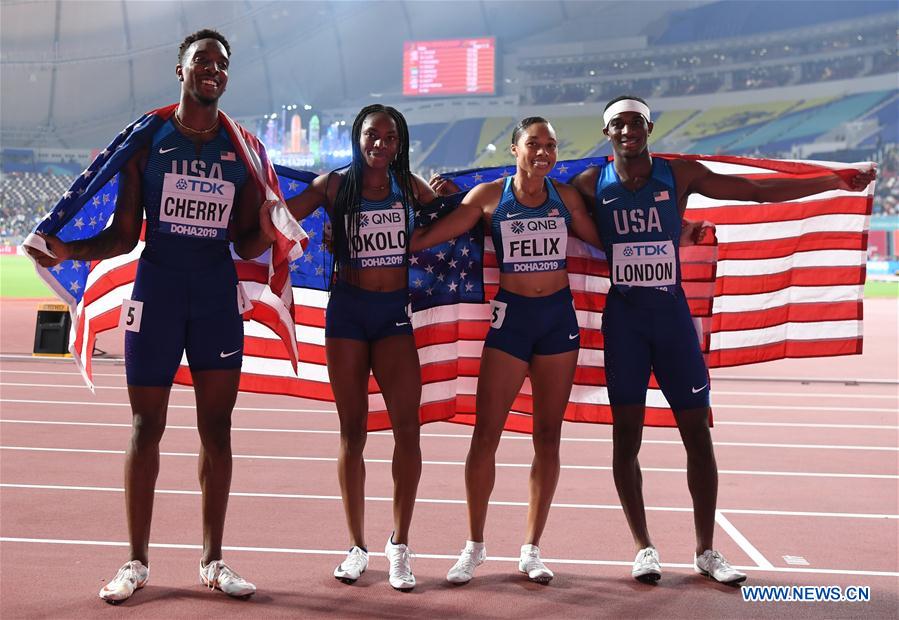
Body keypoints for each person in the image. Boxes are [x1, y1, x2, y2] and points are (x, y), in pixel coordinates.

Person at [570, 95, 876, 585]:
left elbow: (753, 189)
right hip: (625, 323)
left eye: (636, 123)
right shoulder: (589, 184)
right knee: (626, 437)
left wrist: (832, 180)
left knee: (698, 435)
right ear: (606, 133)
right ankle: (644, 548)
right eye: (618, 125)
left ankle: (706, 550)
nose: (628, 131)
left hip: (672, 321)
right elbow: (526, 192)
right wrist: (448, 195)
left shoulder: (681, 174)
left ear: (650, 127)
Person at [27, 29, 272, 602]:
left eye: (222, 65)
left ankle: (213, 560)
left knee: (218, 429)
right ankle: (136, 561)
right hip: (157, 290)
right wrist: (69, 250)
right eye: (202, 62)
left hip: (214, 296)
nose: (213, 70)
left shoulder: (242, 149)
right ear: (181, 71)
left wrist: (274, 231)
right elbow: (121, 234)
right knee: (146, 427)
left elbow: (244, 239)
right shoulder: (149, 140)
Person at [415, 117, 602, 584]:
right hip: (512, 320)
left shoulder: (567, 198)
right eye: (533, 144)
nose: (543, 151)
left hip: (558, 320)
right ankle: (474, 546)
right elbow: (426, 237)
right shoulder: (489, 198)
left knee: (548, 437)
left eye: (551, 145)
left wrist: (675, 235)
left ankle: (531, 549)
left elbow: (608, 243)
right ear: (514, 149)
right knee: (486, 434)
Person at [282, 104, 439, 591]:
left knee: (407, 430)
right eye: (373, 135)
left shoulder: (411, 187)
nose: (381, 144)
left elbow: (445, 219)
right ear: (358, 137)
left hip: (393, 315)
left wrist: (448, 199)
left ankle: (400, 544)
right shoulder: (334, 185)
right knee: (352, 431)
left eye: (390, 137)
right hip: (347, 314)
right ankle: (355, 546)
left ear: (399, 142)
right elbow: (284, 218)